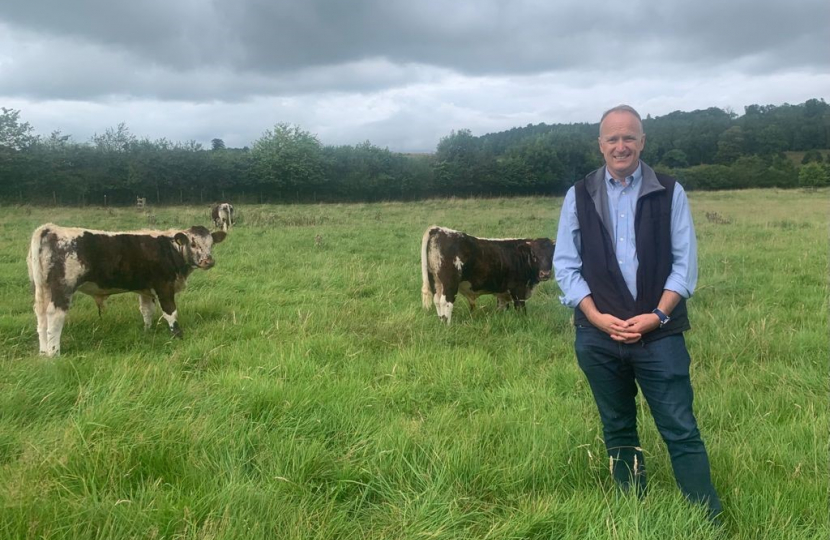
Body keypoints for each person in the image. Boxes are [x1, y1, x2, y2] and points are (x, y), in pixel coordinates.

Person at [553, 105, 722, 520]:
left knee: (681, 429)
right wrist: (593, 316)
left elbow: (685, 266)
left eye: (630, 137)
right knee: (618, 428)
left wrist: (658, 316)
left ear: (643, 142)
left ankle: (707, 519)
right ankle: (634, 511)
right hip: (598, 336)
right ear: (600, 145)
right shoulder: (579, 194)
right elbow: (565, 264)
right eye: (612, 138)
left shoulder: (669, 190)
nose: (621, 145)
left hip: (659, 335)